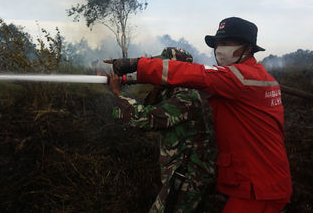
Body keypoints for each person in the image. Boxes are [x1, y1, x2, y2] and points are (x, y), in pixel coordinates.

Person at [106, 17, 292, 212]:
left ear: (248, 48)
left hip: (260, 185)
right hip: (254, 179)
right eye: (218, 44)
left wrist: (138, 64)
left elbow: (194, 75)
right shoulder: (251, 77)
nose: (220, 49)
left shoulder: (240, 78)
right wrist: (125, 79)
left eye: (227, 43)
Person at [108, 48, 215, 213]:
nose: (157, 69)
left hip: (188, 177)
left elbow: (146, 118)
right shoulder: (173, 90)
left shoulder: (186, 96)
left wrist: (117, 93)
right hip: (181, 174)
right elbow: (150, 103)